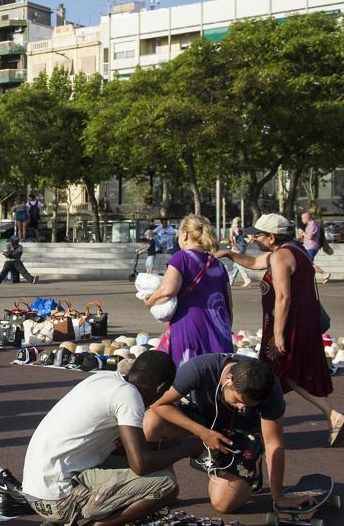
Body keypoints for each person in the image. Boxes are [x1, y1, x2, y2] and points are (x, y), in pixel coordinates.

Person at [22, 350, 201, 526]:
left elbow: (117, 448)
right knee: (166, 485)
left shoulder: (105, 379)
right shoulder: (130, 397)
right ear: (160, 388)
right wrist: (187, 449)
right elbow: (141, 464)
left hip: (35, 491)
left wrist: (167, 445)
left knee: (147, 470)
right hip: (58, 499)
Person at [217, 213, 344, 447]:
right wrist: (229, 253)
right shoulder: (295, 252)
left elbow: (283, 297)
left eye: (257, 235)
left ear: (271, 237)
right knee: (285, 374)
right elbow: (255, 263)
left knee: (280, 374)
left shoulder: (280, 257)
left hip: (287, 326)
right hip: (301, 323)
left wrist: (278, 332)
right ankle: (262, 422)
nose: (253, 238)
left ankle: (331, 415)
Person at [144, 355, 305, 514]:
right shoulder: (200, 368)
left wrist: (278, 497)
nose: (242, 407)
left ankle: (251, 468)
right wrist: (202, 432)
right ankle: (166, 488)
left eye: (249, 405)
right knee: (152, 421)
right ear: (229, 379)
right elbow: (157, 403)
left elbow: (273, 443)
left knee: (224, 504)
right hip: (201, 423)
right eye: (237, 400)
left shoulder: (269, 387)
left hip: (241, 436)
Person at [142, 214, 233, 366]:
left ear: (184, 234)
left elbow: (168, 290)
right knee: (216, 378)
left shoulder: (181, 258)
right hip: (219, 328)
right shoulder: (218, 264)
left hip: (190, 326)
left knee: (188, 378)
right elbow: (229, 304)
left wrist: (149, 301)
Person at [226, 217, 252, 287]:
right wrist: (247, 243)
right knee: (236, 265)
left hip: (237, 247)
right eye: (234, 222)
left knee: (238, 263)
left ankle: (247, 279)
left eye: (236, 222)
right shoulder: (242, 229)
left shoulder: (233, 229)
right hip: (242, 247)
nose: (235, 224)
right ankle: (231, 280)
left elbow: (231, 238)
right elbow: (250, 237)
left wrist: (234, 245)